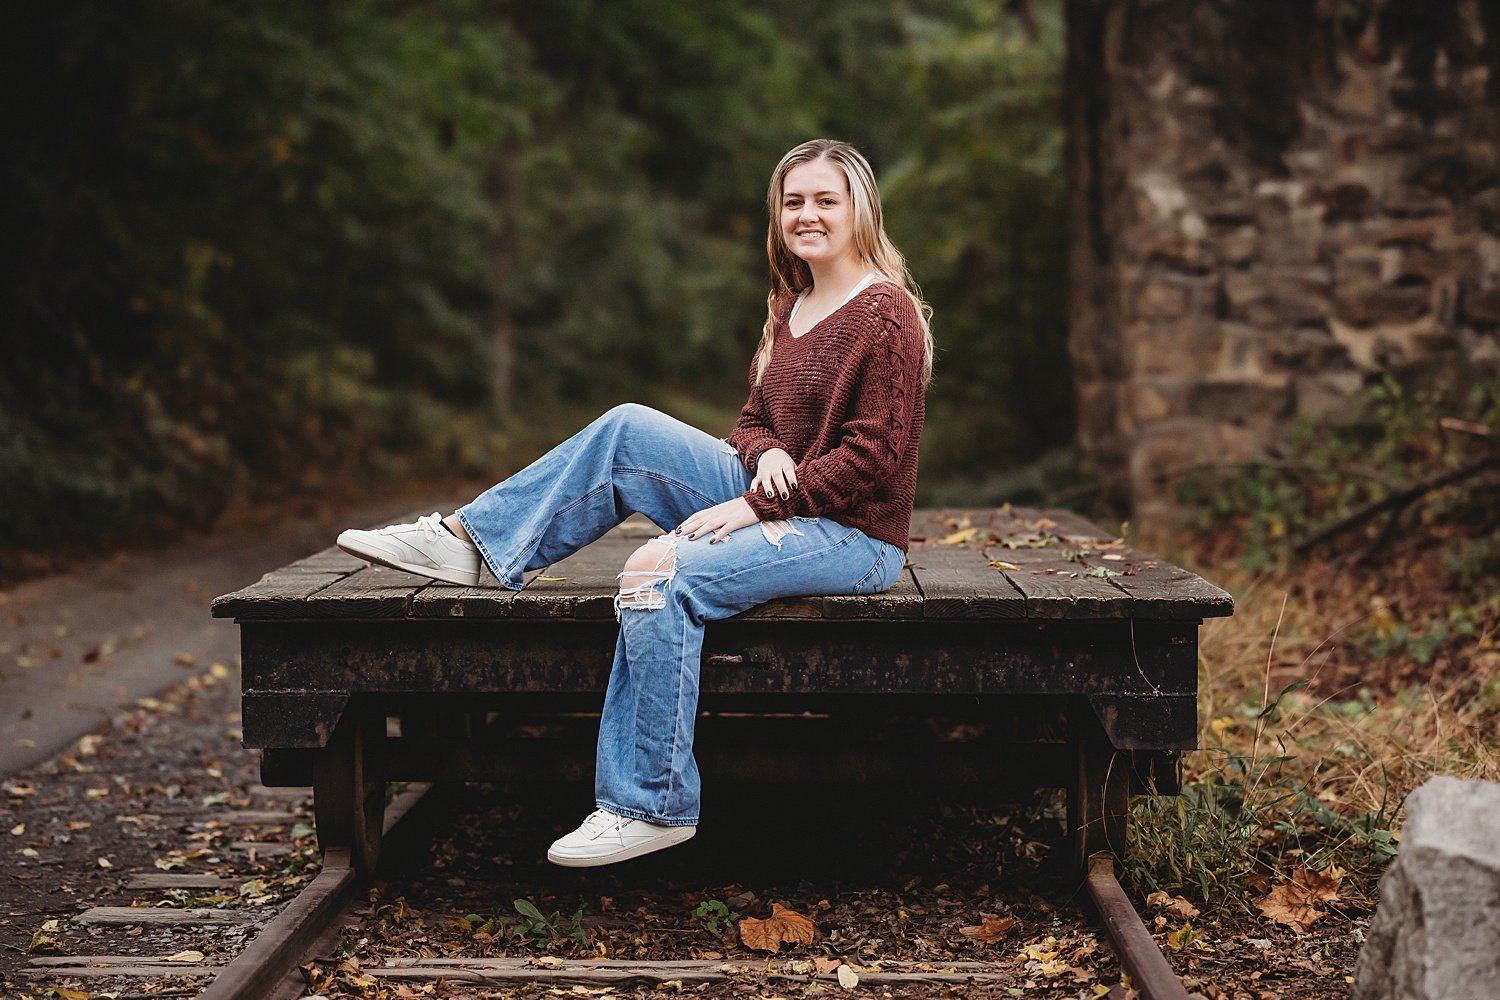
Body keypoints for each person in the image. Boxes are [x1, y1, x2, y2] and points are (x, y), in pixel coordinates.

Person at [336, 138, 934, 867]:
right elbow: (751, 424)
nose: (807, 214)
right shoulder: (792, 306)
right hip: (787, 495)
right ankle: (470, 542)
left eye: (825, 200)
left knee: (660, 571)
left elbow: (874, 459)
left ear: (860, 210)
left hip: (851, 535)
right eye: (793, 201)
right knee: (626, 428)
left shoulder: (886, 313)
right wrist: (768, 454)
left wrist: (754, 507)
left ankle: (650, 805)